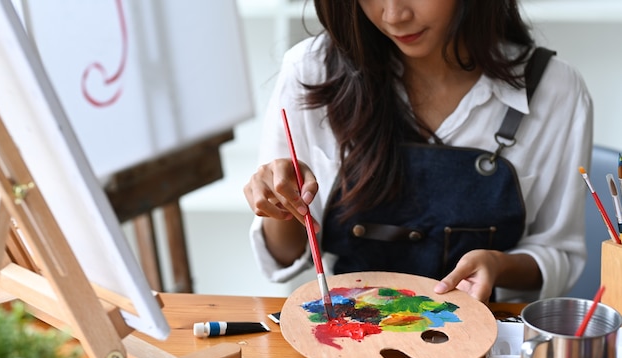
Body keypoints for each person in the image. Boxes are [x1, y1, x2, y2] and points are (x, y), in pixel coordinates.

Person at [243, 0, 593, 303]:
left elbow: (558, 253)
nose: (394, 15)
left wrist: (500, 265)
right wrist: (281, 205)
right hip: (349, 336)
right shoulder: (311, 71)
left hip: (483, 344)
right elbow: (284, 256)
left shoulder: (555, 90)